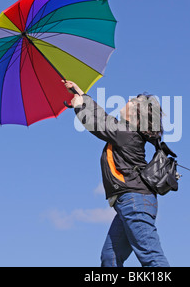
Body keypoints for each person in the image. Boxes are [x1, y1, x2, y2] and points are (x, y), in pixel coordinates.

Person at [63, 80, 170, 267]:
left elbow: (96, 125)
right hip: (128, 203)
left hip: (135, 201)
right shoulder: (124, 130)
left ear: (137, 117)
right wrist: (82, 95)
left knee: (151, 256)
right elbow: (102, 117)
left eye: (133, 102)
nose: (128, 100)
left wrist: (79, 109)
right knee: (110, 257)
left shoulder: (126, 133)